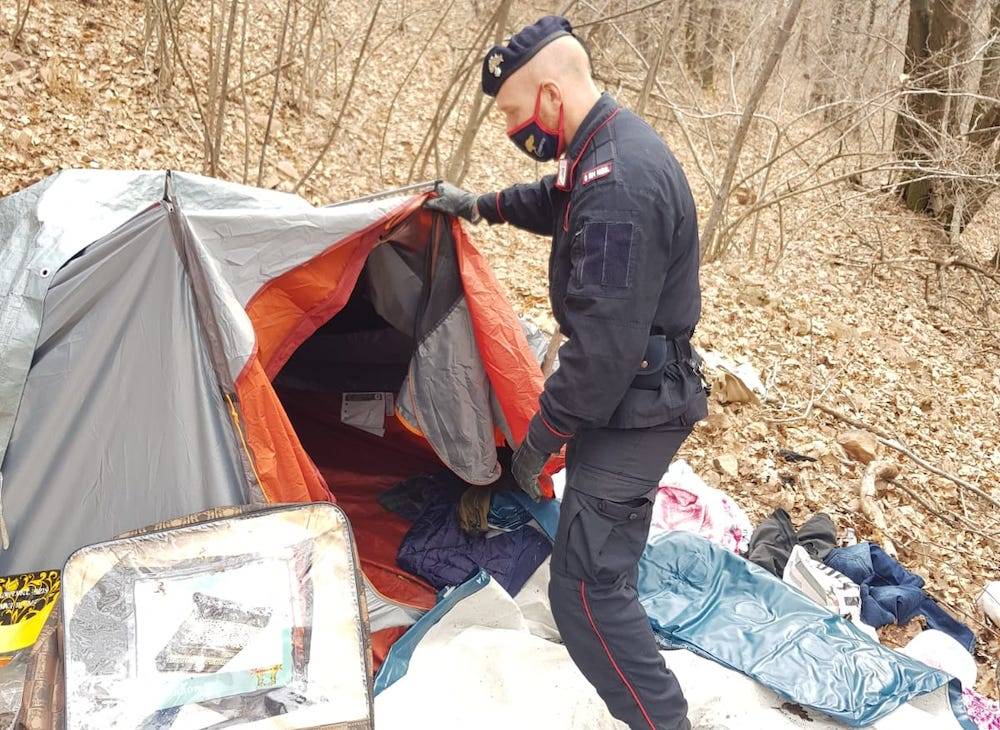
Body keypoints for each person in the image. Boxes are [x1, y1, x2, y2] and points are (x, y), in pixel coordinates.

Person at [424, 16, 706, 730]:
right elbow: (556, 201)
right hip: (633, 398)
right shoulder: (603, 149)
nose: (514, 130)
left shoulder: (619, 180)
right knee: (603, 577)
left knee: (585, 596)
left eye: (516, 115)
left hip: (636, 404)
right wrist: (480, 206)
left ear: (550, 97)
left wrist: (539, 439)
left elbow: (602, 351)